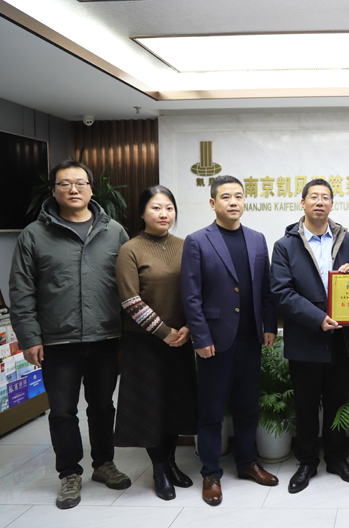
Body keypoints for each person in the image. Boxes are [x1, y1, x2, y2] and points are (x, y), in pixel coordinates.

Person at [9, 160, 131, 510]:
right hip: (56, 341)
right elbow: (21, 290)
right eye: (65, 184)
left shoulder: (114, 231)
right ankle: (69, 473)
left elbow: (129, 286)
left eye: (80, 183)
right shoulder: (34, 234)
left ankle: (104, 464)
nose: (73, 189)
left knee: (103, 407)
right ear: (54, 191)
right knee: (62, 411)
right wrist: (30, 338)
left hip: (105, 338)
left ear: (91, 189)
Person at [180, 175, 279, 506]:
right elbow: (191, 295)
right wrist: (200, 336)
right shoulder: (197, 241)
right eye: (226, 197)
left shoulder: (257, 239)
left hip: (250, 338)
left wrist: (269, 326)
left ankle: (247, 462)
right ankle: (211, 473)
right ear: (213, 203)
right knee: (211, 410)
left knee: (247, 406)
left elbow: (265, 289)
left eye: (238, 196)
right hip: (214, 340)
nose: (233, 202)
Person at [271, 179, 349, 493]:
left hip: (341, 337)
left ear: (331, 204)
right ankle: (307, 462)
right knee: (306, 404)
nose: (319, 202)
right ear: (302, 203)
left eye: (325, 197)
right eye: (313, 197)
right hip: (306, 337)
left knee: (338, 402)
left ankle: (337, 459)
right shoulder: (285, 245)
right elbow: (281, 292)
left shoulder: (348, 239)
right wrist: (317, 318)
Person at [114, 186, 197, 501]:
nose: (164, 214)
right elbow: (130, 300)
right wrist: (165, 332)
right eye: (156, 207)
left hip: (181, 339)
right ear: (142, 212)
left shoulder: (186, 245)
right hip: (145, 343)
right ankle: (159, 469)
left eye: (169, 208)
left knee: (174, 405)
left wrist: (187, 328)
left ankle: (172, 463)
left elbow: (196, 291)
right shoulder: (130, 249)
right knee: (151, 408)